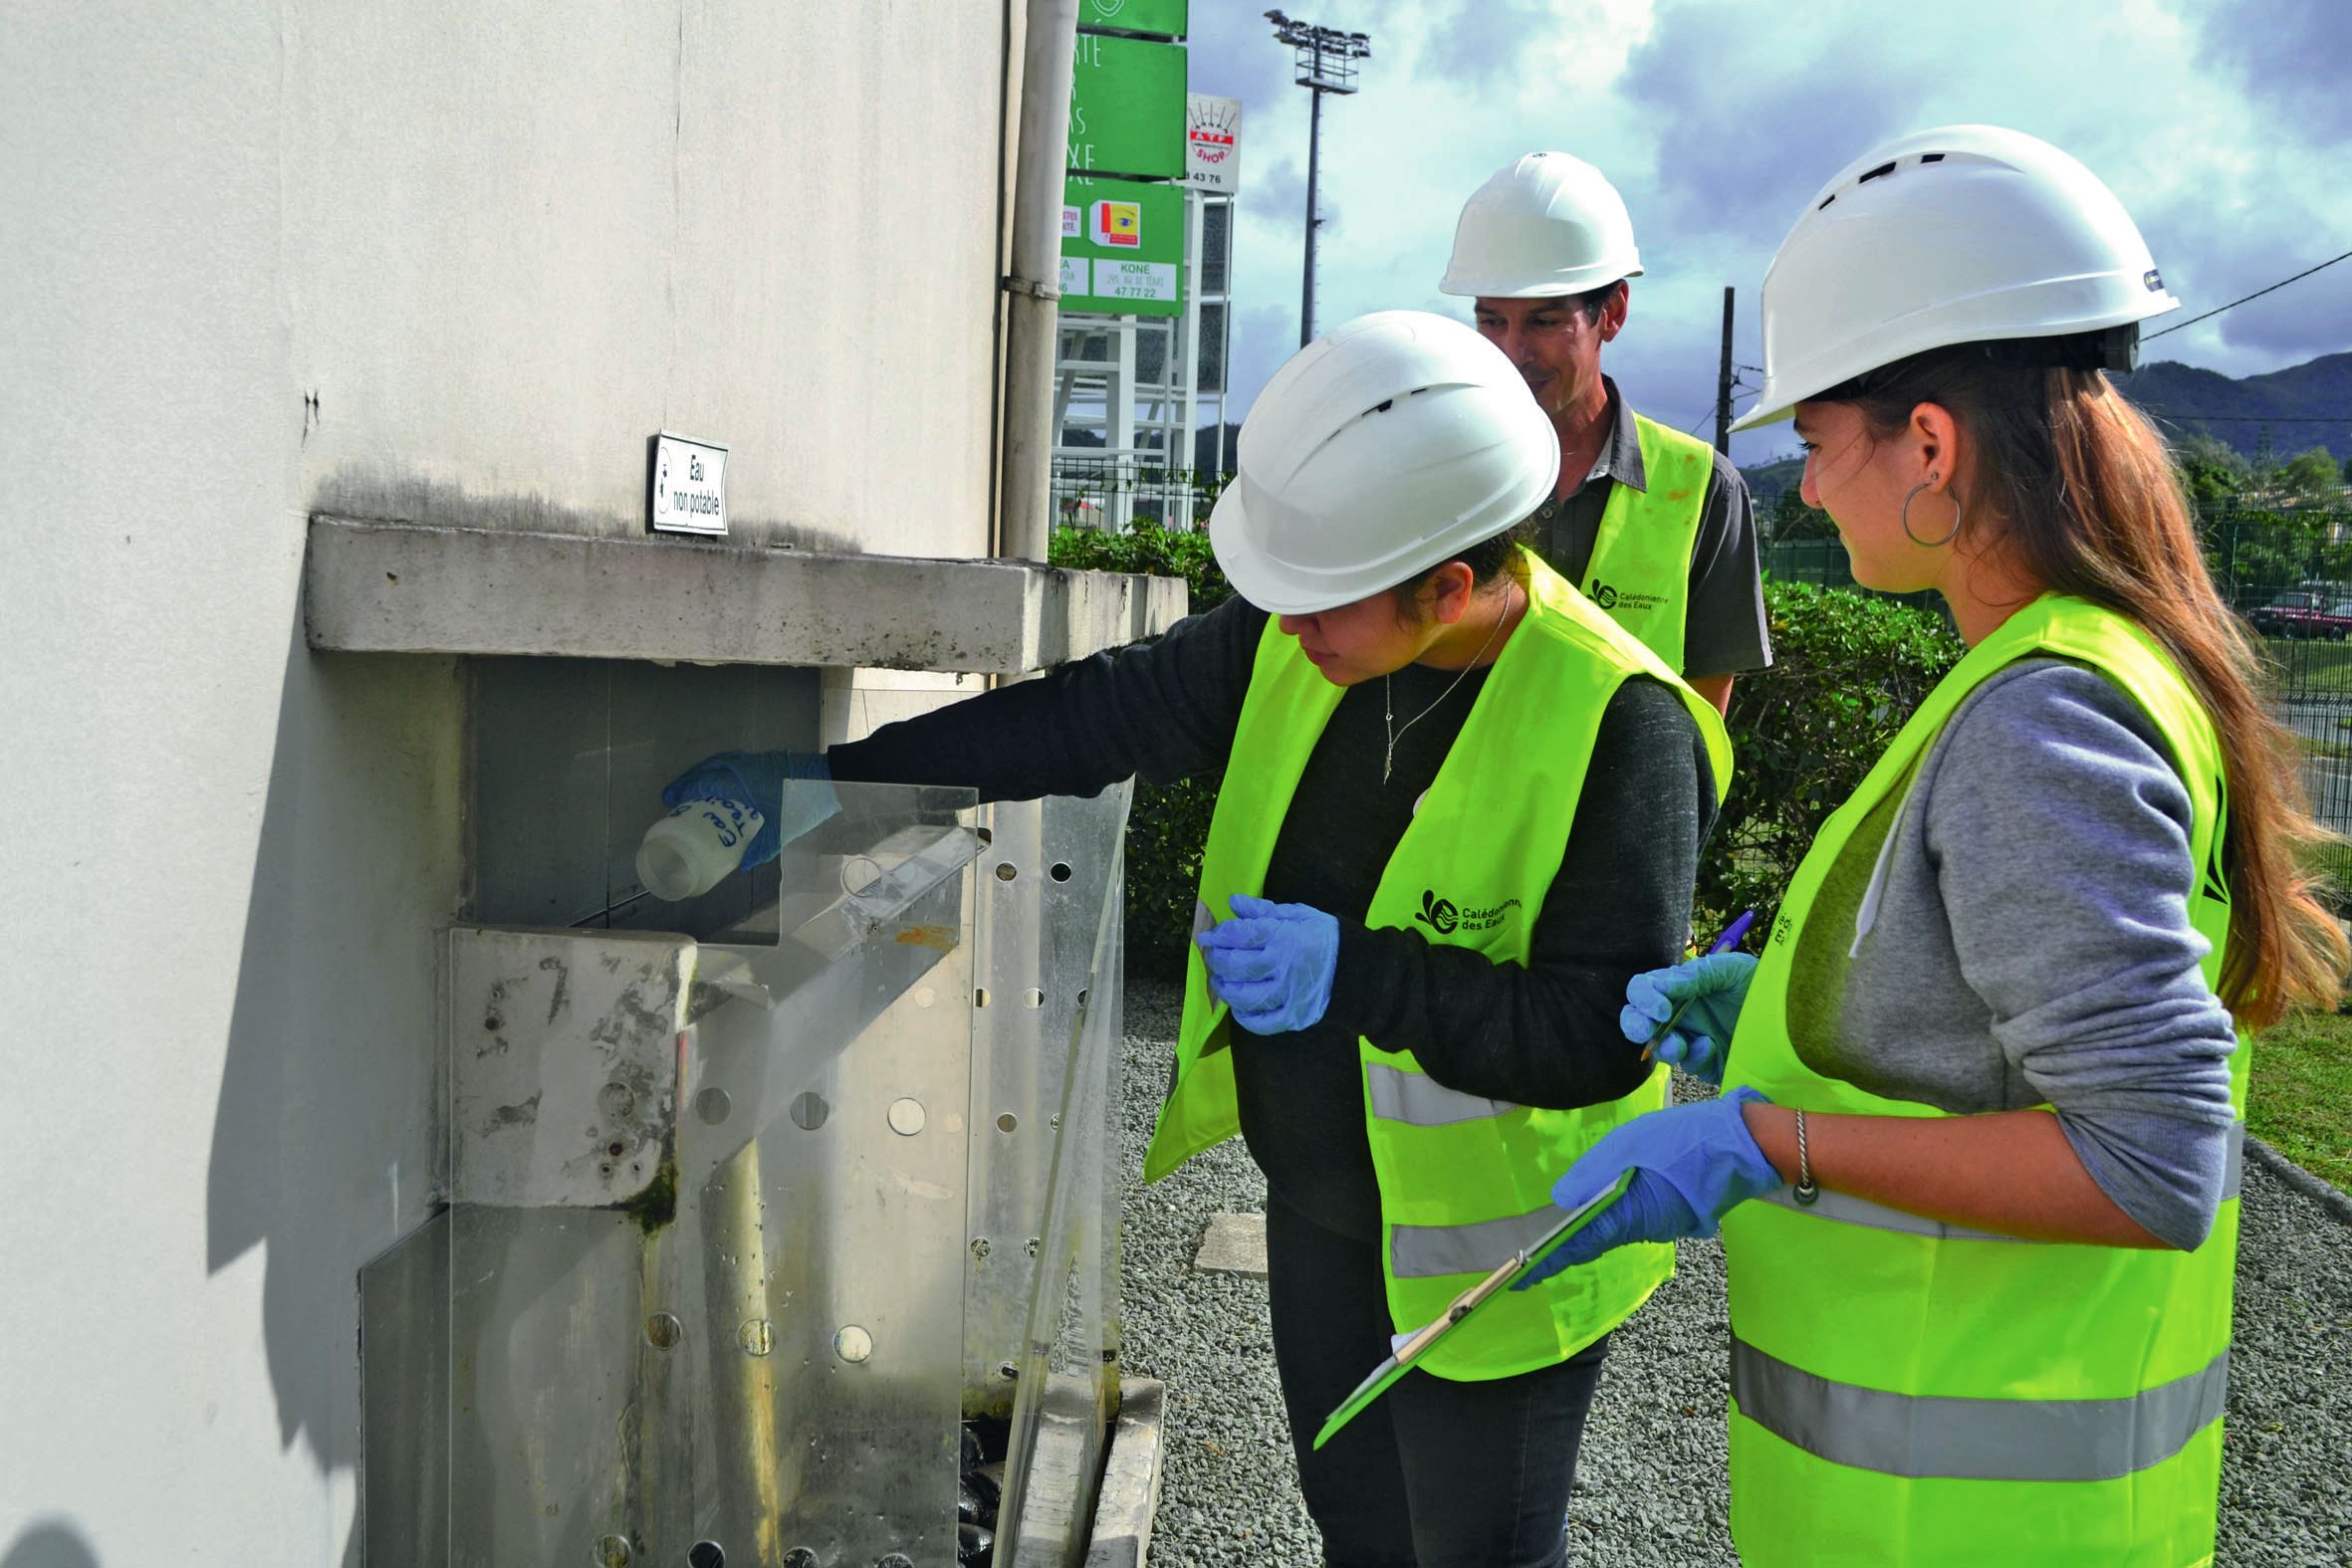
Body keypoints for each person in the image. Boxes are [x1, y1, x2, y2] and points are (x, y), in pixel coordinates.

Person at [664, 312, 1732, 1567]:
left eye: (1317, 609)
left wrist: (1357, 974)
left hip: (1496, 1261)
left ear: (1449, 587)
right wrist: (839, 780)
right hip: (1327, 1212)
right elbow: (1091, 718)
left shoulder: (1624, 726)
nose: (1285, 634)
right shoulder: (1313, 632)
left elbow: (1597, 1040)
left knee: (1476, 1552)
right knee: (1361, 1534)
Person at [1518, 126, 2349, 1565]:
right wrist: (1767, 1032)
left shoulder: (2043, 719)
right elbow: (1983, 1022)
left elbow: (2148, 1157)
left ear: (1927, 443)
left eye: (1816, 446)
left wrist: (1763, 1138)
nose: (1809, 489)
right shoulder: (2066, 663)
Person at [1440, 151, 1771, 714]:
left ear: (1612, 312)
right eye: (1491, 319)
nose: (1512, 352)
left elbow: (1704, 713)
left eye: (1544, 321)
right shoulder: (1440, 470)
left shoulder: (1702, 489)